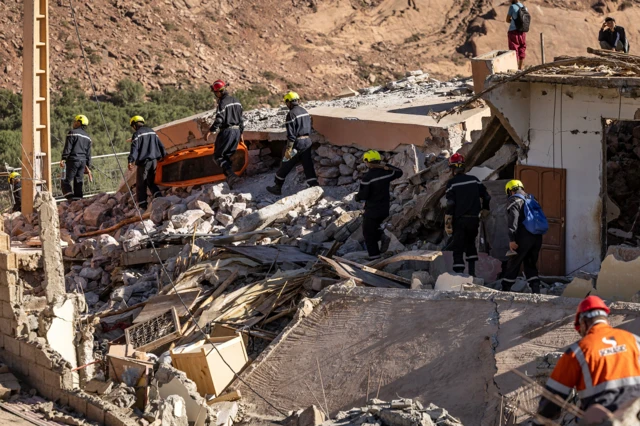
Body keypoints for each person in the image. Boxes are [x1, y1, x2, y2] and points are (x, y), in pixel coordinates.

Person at [536, 296, 640, 421]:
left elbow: (552, 399)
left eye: (580, 331)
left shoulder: (578, 351)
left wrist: (538, 422)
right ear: (605, 319)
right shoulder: (634, 340)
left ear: (583, 323)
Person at [444, 153, 490, 277]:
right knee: (471, 244)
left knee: (458, 246)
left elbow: (450, 203)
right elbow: (486, 196)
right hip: (474, 219)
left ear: (452, 168)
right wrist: (485, 208)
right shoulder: (474, 180)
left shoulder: (451, 183)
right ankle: (472, 274)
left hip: (459, 220)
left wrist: (448, 220)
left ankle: (459, 276)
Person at [267, 91, 319, 196]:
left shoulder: (291, 114)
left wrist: (289, 149)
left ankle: (277, 187)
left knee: (286, 164)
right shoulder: (304, 111)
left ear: (288, 102)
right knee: (307, 164)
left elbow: (291, 134)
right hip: (307, 141)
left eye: (286, 103)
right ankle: (314, 186)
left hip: (297, 143)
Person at [355, 150, 403, 260]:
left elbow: (363, 195)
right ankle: (382, 236)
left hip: (372, 210)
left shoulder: (367, 178)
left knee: (368, 233)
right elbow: (399, 172)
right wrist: (386, 165)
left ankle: (374, 257)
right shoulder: (386, 173)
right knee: (375, 227)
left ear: (367, 162)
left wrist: (357, 197)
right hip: (385, 208)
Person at [501, 180, 543, 293]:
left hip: (523, 237)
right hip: (537, 237)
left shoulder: (514, 200)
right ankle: (535, 289)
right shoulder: (532, 199)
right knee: (530, 263)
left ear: (510, 191)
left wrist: (512, 239)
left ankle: (505, 289)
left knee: (514, 262)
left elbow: (513, 220)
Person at [204, 80, 244, 189]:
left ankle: (232, 176)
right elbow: (241, 119)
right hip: (236, 132)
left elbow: (219, 119)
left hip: (227, 132)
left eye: (215, 93)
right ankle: (230, 179)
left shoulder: (222, 102)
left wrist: (210, 131)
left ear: (218, 92)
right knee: (227, 156)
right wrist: (241, 133)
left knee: (218, 156)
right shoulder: (237, 101)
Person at [127, 116, 167, 210]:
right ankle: (159, 197)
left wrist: (130, 161)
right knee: (151, 181)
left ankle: (142, 206)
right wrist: (163, 156)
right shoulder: (152, 131)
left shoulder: (137, 134)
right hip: (154, 161)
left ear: (134, 125)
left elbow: (134, 149)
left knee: (141, 183)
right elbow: (160, 144)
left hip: (143, 162)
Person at [60, 115, 92, 201]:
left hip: (73, 160)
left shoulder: (72, 133)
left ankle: (70, 199)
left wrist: (63, 158)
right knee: (78, 181)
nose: (73, 123)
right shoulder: (88, 137)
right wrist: (88, 166)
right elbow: (88, 153)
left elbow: (68, 147)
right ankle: (78, 200)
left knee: (65, 180)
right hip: (83, 162)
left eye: (75, 121)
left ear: (79, 122)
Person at [506, 0, 528, 70]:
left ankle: (515, 69)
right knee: (522, 48)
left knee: (514, 50)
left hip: (513, 31)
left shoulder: (512, 7)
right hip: (522, 32)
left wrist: (513, 21)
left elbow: (507, 19)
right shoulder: (525, 8)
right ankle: (520, 68)